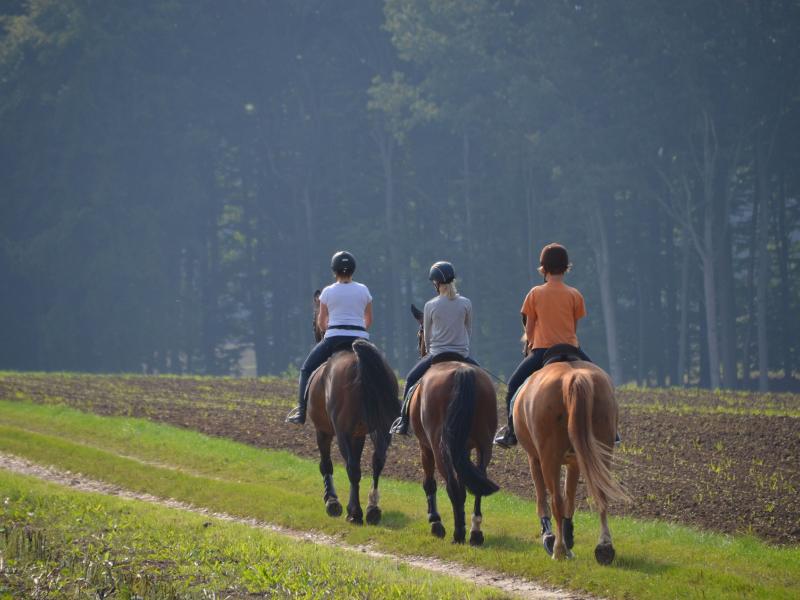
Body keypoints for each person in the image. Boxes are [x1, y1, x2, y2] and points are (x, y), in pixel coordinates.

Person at [493, 243, 592, 448]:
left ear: (543, 268)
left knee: (512, 387)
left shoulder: (535, 294)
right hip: (572, 349)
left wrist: (531, 343)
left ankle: (512, 432)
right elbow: (573, 327)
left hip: (542, 352)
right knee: (603, 382)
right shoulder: (575, 294)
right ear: (566, 267)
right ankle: (611, 431)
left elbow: (529, 330)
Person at [390, 260, 479, 436]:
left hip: (437, 355)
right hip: (462, 354)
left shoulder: (431, 305)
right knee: (483, 381)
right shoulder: (466, 303)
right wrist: (461, 347)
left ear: (437, 283)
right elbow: (468, 330)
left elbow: (428, 337)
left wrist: (433, 349)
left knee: (410, 380)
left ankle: (403, 422)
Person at [286, 250, 372, 425]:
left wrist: (328, 331)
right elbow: (369, 319)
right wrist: (358, 330)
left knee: (306, 369)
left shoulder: (327, 292)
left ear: (334, 270)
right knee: (379, 371)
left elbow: (322, 321)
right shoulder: (363, 290)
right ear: (353, 270)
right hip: (360, 339)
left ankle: (301, 411)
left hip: (333, 338)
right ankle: (391, 410)